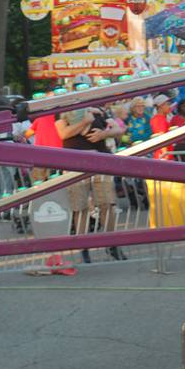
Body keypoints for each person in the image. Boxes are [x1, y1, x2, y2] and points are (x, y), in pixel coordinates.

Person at [54, 84, 125, 263]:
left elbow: (118, 129)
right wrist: (85, 121)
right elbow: (63, 133)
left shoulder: (99, 112)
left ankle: (112, 244)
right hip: (74, 164)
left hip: (100, 162)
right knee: (81, 207)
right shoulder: (63, 113)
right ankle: (83, 247)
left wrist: (103, 134)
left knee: (107, 204)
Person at [150, 94, 175, 160]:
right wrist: (165, 154)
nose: (169, 106)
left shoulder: (161, 118)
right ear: (160, 106)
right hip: (163, 156)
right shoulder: (159, 119)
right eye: (167, 104)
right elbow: (161, 138)